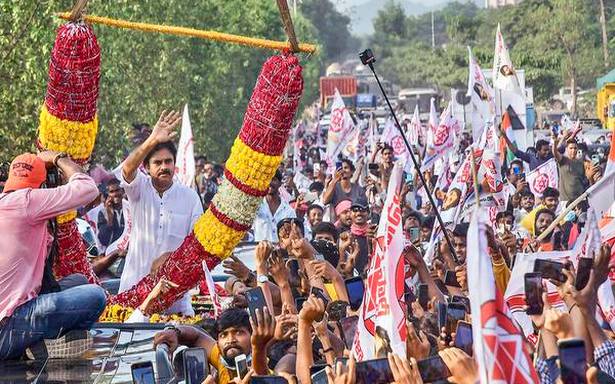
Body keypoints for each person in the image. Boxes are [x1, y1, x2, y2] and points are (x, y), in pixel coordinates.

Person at [0, 152, 106, 360]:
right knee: (96, 295)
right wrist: (59, 159)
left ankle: (41, 343)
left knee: (79, 280)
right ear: (41, 185)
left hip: (13, 313)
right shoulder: (28, 200)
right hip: (9, 327)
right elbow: (87, 187)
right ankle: (35, 348)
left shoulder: (6, 201)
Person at [119, 111, 203, 315]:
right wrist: (152, 139)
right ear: (146, 167)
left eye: (168, 161)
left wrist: (170, 256)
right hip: (133, 292)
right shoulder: (139, 190)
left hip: (174, 300)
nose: (164, 167)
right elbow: (127, 170)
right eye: (157, 163)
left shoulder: (190, 197)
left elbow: (198, 243)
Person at [153, 307, 276, 384]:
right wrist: (174, 332)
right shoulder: (221, 359)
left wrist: (259, 348)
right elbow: (197, 335)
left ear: (252, 335)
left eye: (239, 333)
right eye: (224, 335)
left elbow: (262, 376)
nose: (231, 340)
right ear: (217, 342)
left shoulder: (260, 365)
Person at [253, 170, 296, 242]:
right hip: (260, 251)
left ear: (280, 183)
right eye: (267, 179)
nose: (269, 183)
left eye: (273, 179)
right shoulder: (255, 206)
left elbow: (293, 234)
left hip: (282, 252)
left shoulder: (289, 211)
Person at [553, 135, 588, 202]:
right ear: (567, 149)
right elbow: (555, 152)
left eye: (575, 148)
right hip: (565, 199)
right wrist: (555, 143)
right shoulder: (563, 160)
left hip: (579, 198)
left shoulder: (580, 162)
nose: (573, 150)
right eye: (571, 148)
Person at [97, 178, 125, 248]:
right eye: (112, 192)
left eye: (117, 190)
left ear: (123, 191)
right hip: (114, 252)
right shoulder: (103, 213)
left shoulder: (130, 207)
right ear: (108, 194)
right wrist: (110, 218)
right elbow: (103, 240)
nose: (115, 194)